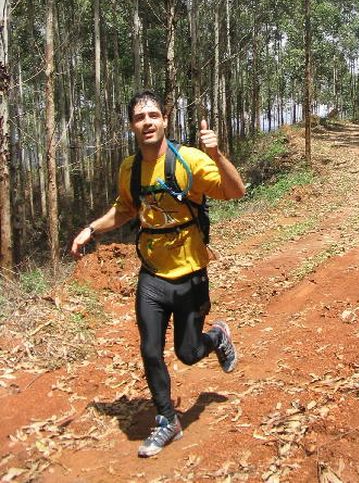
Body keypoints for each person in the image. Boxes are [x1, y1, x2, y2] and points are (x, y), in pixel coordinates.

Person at [71, 90, 246, 458]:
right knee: (150, 350)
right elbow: (125, 210)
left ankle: (217, 337)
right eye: (139, 117)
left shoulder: (191, 160)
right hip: (151, 275)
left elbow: (236, 191)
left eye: (153, 115)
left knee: (187, 352)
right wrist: (92, 228)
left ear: (165, 120)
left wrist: (217, 155)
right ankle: (167, 419)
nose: (147, 122)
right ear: (132, 125)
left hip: (191, 275)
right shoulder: (129, 168)